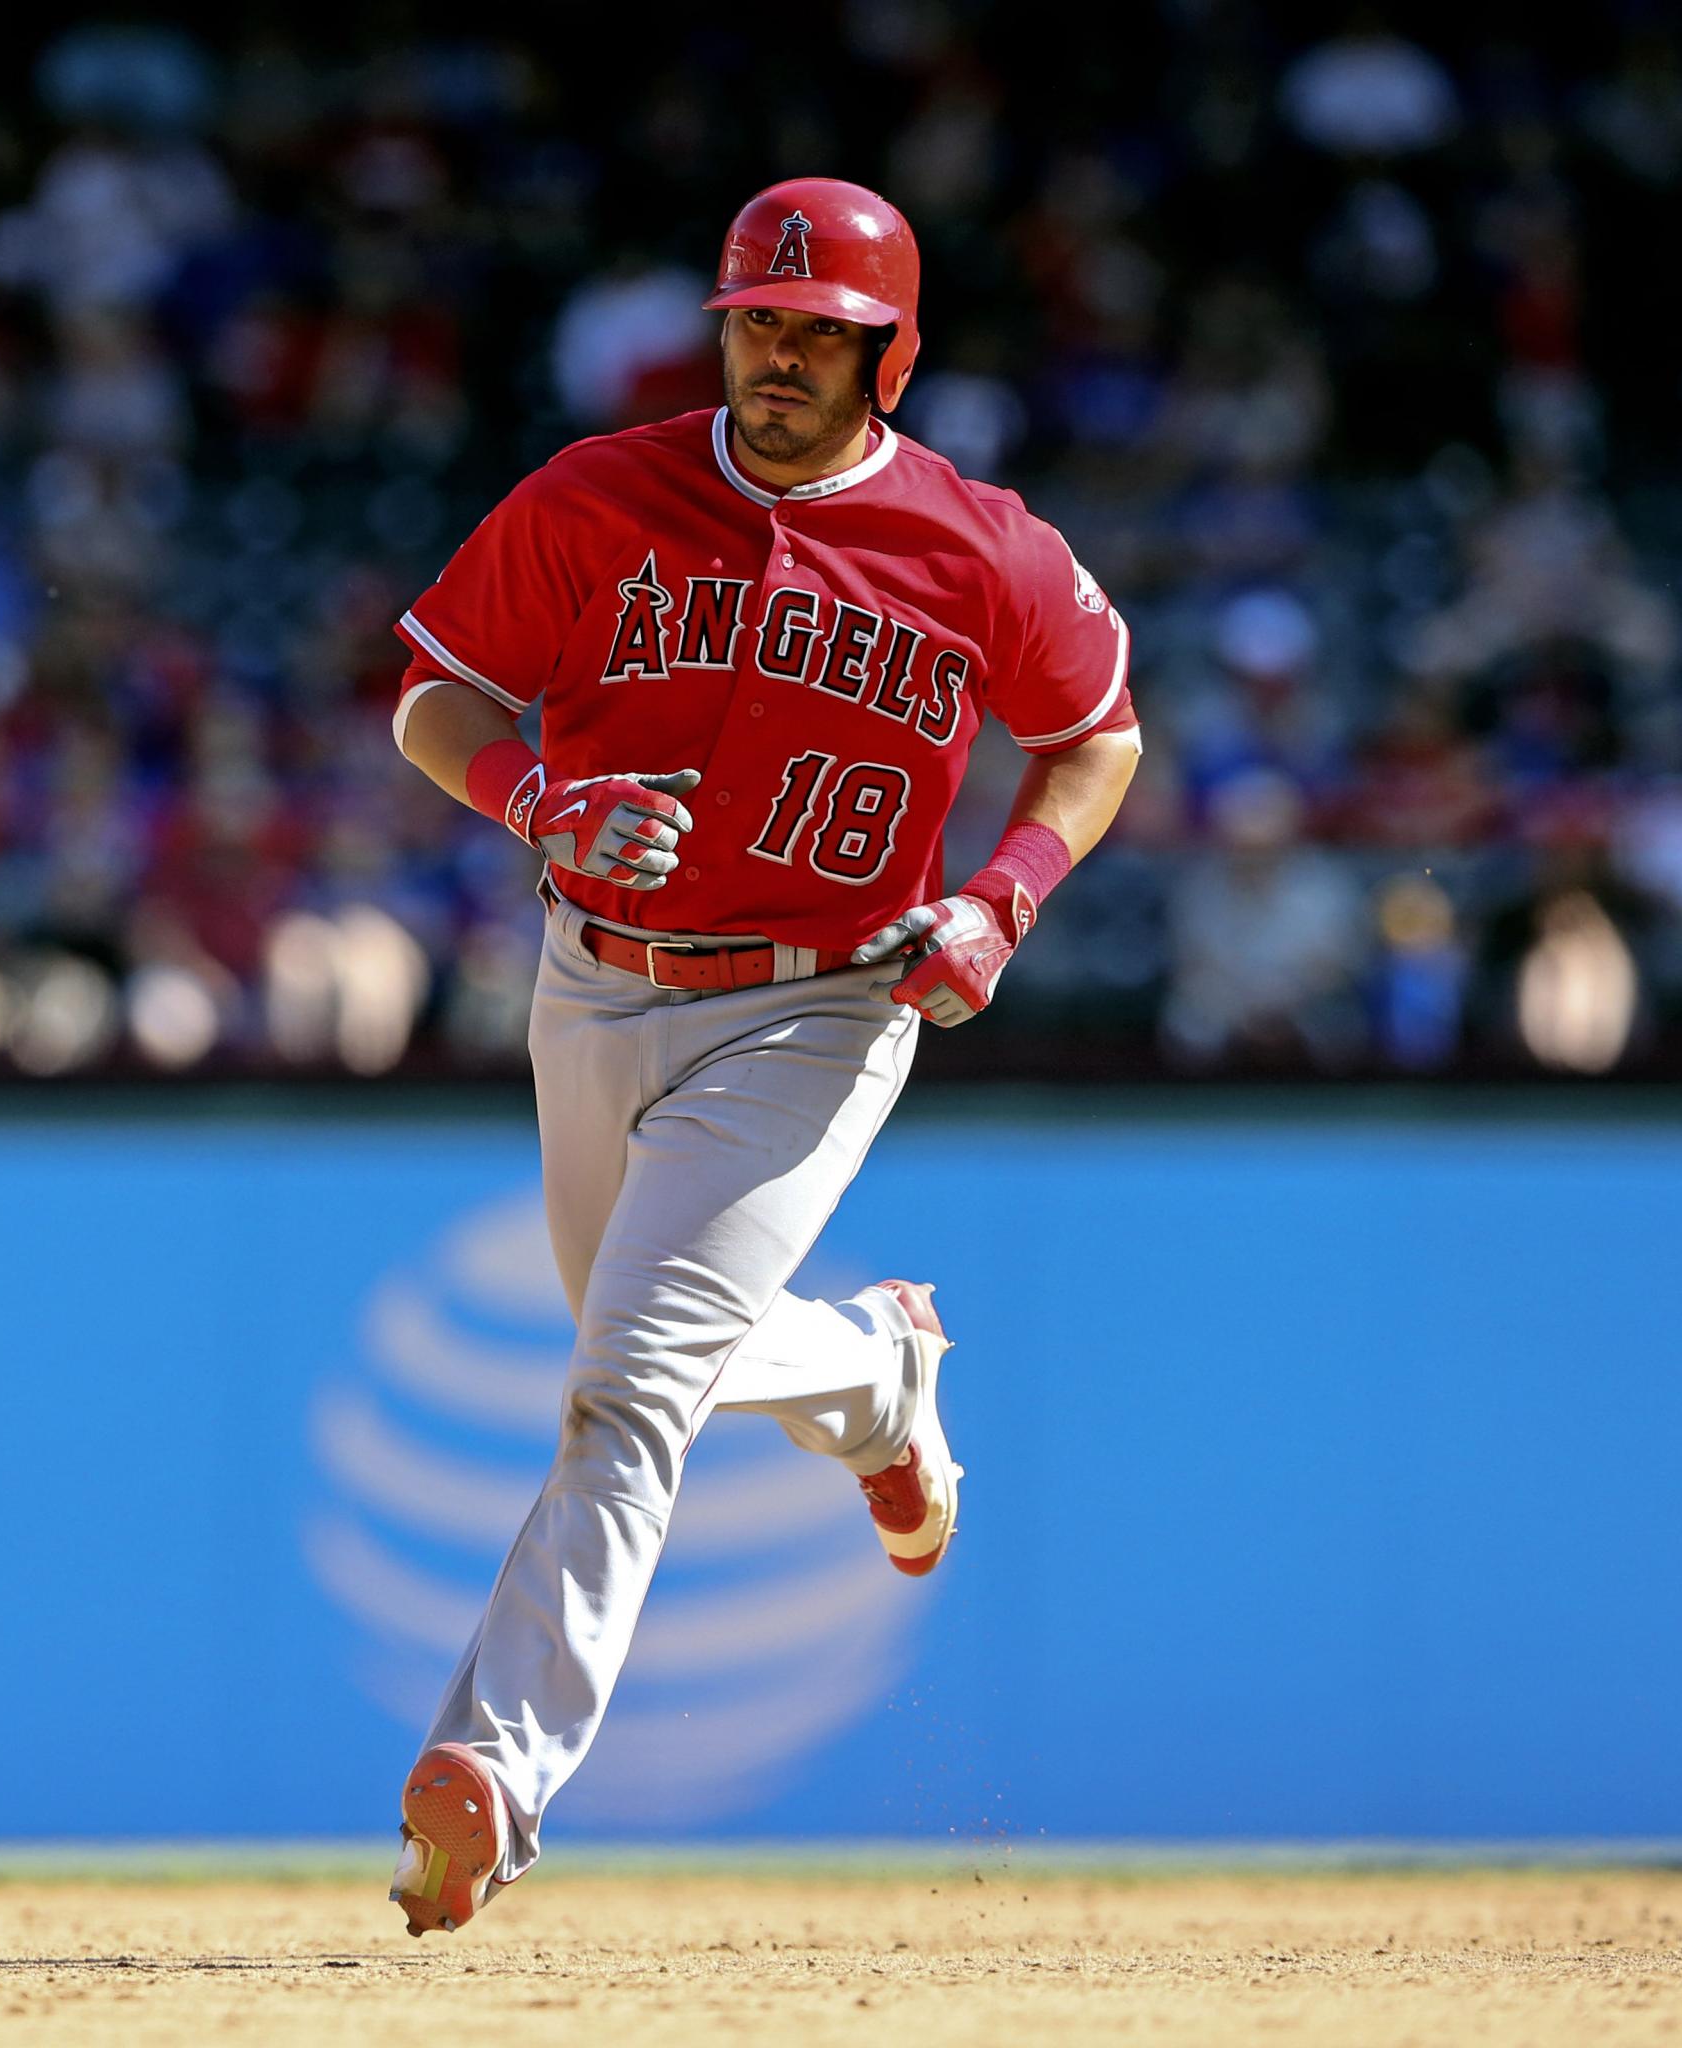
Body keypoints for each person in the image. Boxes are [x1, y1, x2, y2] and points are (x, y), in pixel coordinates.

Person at [383, 178, 1142, 1933]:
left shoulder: (979, 542)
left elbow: (1095, 736)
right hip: (597, 976)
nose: (782, 354)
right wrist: (530, 795)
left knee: (630, 1381)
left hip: (823, 998)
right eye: (759, 321)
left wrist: (1007, 896)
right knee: (644, 1348)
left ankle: (496, 1769)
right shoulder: (597, 494)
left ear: (893, 354)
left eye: (822, 331)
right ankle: (876, 1382)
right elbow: (435, 695)